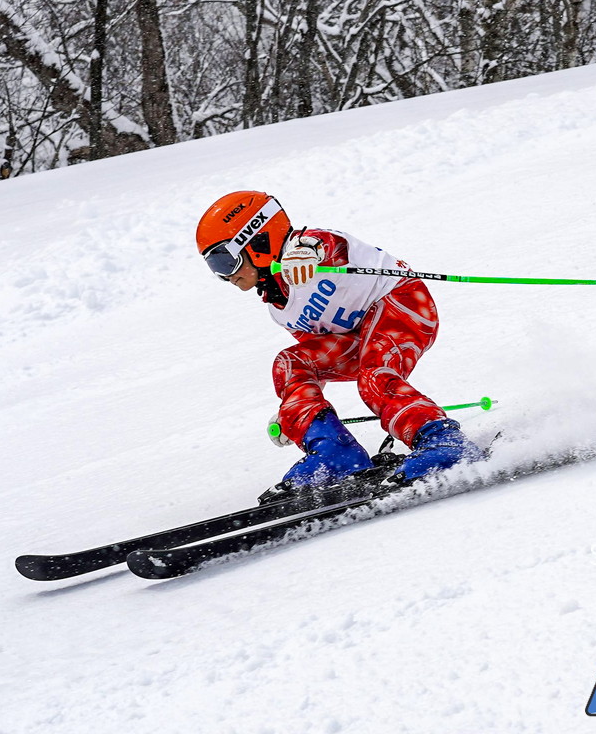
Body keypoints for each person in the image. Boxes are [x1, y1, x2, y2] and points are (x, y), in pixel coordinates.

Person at [195, 190, 482, 503]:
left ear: (256, 240)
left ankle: (445, 442)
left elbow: (329, 246)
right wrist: (294, 413)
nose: (226, 276)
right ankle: (334, 454)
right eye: (214, 267)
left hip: (401, 304)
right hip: (358, 336)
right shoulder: (280, 309)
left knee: (374, 378)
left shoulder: (308, 246)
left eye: (224, 260)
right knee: (290, 362)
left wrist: (304, 252)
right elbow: (320, 351)